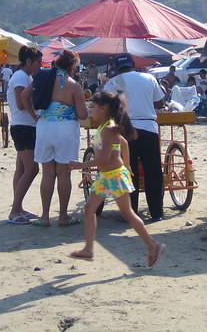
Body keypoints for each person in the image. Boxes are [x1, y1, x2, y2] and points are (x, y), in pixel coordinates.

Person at [68, 92, 166, 267]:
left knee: (127, 214)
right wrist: (127, 165)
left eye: (93, 106)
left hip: (113, 176)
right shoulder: (107, 126)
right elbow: (124, 144)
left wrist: (80, 165)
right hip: (108, 176)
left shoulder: (107, 129)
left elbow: (104, 159)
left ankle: (153, 245)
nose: (91, 110)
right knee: (89, 209)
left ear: (103, 108)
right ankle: (88, 249)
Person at [26, 50, 88, 226]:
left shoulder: (42, 77)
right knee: (63, 173)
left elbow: (24, 97)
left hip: (45, 127)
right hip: (66, 129)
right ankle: (62, 216)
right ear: (73, 66)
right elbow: (83, 114)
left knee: (47, 174)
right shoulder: (74, 85)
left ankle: (44, 216)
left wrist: (35, 117)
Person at [104, 54, 165, 221]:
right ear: (133, 65)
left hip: (125, 130)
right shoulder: (148, 77)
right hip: (148, 128)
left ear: (117, 68)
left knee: (129, 171)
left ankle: (130, 213)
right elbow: (159, 102)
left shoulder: (113, 82)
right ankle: (157, 213)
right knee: (153, 171)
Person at [6, 46, 43, 224]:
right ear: (29, 61)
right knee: (32, 169)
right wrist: (36, 115)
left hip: (22, 126)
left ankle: (18, 208)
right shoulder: (21, 76)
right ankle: (14, 210)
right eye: (38, 62)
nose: (40, 65)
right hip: (24, 127)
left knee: (21, 169)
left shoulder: (24, 76)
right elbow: (22, 103)